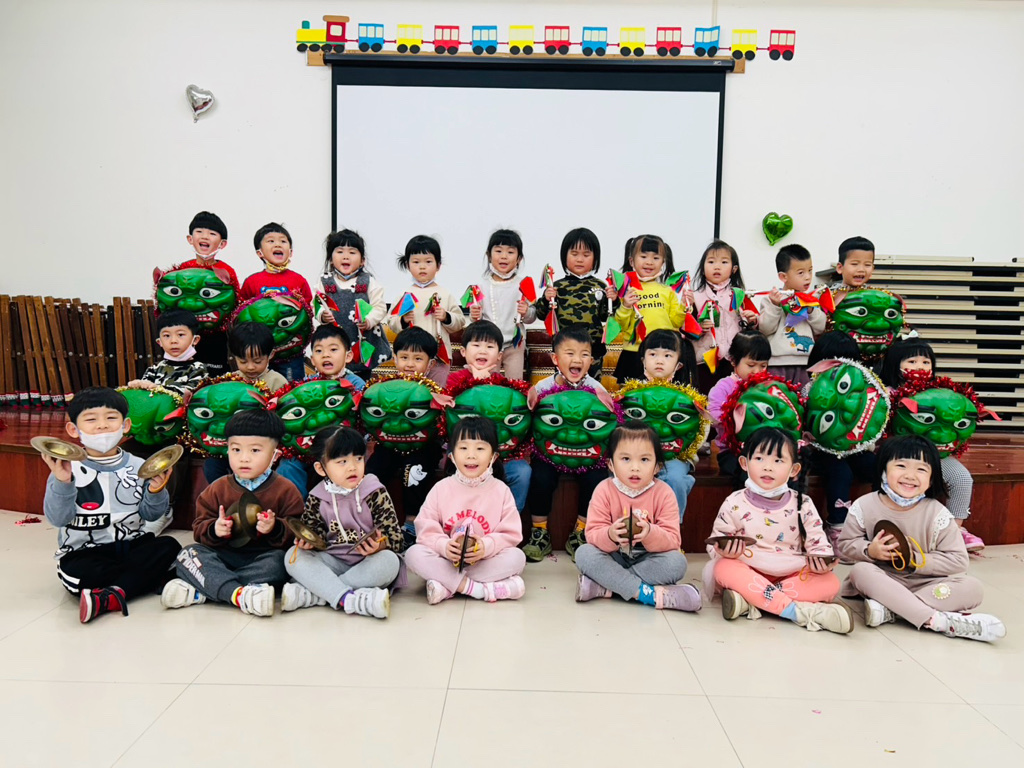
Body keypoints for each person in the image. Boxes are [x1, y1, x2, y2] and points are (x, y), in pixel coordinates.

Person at [837, 435, 1005, 642]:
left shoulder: (937, 513)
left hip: (928, 584)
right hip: (883, 579)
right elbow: (845, 544)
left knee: (973, 588)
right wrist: (869, 550)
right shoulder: (864, 505)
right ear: (883, 470)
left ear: (932, 479)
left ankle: (892, 610)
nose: (910, 476)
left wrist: (916, 559)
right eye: (901, 466)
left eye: (921, 469)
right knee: (860, 571)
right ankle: (937, 621)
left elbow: (958, 561)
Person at [41, 387, 179, 623]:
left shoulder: (140, 466)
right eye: (91, 419)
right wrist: (63, 482)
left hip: (130, 546)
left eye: (111, 418)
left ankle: (111, 595)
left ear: (125, 425)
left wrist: (156, 491)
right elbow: (58, 519)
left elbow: (151, 514)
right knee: (83, 573)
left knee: (169, 547)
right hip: (85, 552)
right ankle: (138, 582)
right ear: (73, 429)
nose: (102, 426)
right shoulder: (66, 468)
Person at [704, 427, 853, 634]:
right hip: (749, 569)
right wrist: (724, 551)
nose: (768, 467)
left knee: (830, 583)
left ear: (794, 470)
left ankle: (752, 602)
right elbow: (716, 543)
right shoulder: (734, 502)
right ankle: (799, 612)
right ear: (744, 463)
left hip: (790, 573)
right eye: (759, 459)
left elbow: (818, 543)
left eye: (778, 460)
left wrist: (821, 562)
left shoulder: (803, 503)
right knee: (723, 567)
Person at [161, 410, 303, 616]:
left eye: (255, 450)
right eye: (236, 449)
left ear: (275, 455)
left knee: (283, 562)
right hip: (223, 555)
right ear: (227, 450)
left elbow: (297, 528)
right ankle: (241, 593)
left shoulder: (286, 489)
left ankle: (208, 590)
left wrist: (275, 528)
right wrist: (215, 529)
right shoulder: (217, 488)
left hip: (262, 557)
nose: (244, 458)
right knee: (188, 553)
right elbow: (199, 527)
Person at [574, 421, 701, 611]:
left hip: (649, 560)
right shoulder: (604, 490)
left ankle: (607, 586)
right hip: (614, 557)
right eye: (626, 459)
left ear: (657, 466)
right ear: (611, 464)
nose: (635, 467)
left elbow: (673, 540)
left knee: (677, 563)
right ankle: (647, 595)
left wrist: (650, 532)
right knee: (584, 553)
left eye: (644, 460)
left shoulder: (664, 493)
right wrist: (610, 534)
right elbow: (592, 535)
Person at [281, 426, 403, 618]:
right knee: (293, 556)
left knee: (390, 562)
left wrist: (380, 546)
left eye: (358, 459)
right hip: (332, 561)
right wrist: (307, 542)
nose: (352, 467)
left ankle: (319, 594)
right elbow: (314, 535)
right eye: (342, 462)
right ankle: (350, 598)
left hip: (367, 563)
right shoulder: (317, 497)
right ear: (321, 468)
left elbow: (396, 539)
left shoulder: (374, 491)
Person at [405, 416, 526, 604]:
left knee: (517, 557)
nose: (471, 455)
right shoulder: (441, 488)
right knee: (413, 554)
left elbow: (511, 535)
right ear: (452, 456)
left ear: (493, 457)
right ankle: (477, 589)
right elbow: (425, 528)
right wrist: (444, 546)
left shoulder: (501, 490)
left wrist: (486, 546)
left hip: (483, 561)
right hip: (448, 560)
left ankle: (446, 586)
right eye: (463, 448)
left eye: (480, 448)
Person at [881, 338, 984, 552]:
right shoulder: (885, 393)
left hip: (935, 454)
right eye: (912, 361)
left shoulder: (942, 392)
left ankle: (954, 532)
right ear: (895, 364)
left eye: (926, 362)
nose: (920, 367)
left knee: (962, 478)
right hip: (899, 455)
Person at [524, 326, 613, 562]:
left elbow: (609, 422)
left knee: (597, 479)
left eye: (584, 354)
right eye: (570, 353)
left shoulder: (597, 390)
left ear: (591, 360)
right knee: (540, 477)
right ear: (555, 359)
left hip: (587, 455)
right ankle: (539, 532)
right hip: (551, 454)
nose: (577, 360)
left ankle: (581, 532)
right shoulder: (542, 388)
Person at [366, 326, 445, 547]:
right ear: (395, 357)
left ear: (430, 364)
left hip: (423, 447)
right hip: (389, 446)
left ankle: (411, 524)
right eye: (404, 357)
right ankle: (371, 522)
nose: (410, 364)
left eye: (418, 359)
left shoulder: (433, 391)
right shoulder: (384, 388)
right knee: (371, 473)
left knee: (413, 474)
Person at [445, 320, 532, 518]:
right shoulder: (454, 380)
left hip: (501, 453)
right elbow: (447, 412)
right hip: (466, 452)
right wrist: (475, 382)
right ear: (463, 351)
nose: (483, 351)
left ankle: (509, 520)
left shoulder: (505, 385)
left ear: (499, 355)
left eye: (490, 346)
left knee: (522, 472)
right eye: (476, 345)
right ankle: (462, 518)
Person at [805, 332, 876, 549]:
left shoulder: (863, 390)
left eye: (846, 362)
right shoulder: (809, 389)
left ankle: (878, 521)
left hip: (854, 448)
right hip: (821, 451)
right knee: (841, 472)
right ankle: (837, 526)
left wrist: (866, 440)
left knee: (877, 466)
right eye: (831, 362)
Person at [533, 227, 616, 379]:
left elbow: (606, 316)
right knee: (563, 388)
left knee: (592, 388)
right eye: (574, 254)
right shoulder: (556, 287)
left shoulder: (601, 286)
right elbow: (541, 314)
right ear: (564, 256)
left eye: (586, 255)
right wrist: (545, 299)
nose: (580, 259)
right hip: (564, 352)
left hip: (592, 352)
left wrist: (613, 300)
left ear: (595, 258)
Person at [387, 235, 466, 387]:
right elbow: (391, 322)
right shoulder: (405, 294)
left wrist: (446, 317)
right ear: (407, 265)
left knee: (437, 390)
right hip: (413, 356)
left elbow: (460, 321)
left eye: (428, 262)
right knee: (412, 390)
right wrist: (403, 320)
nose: (422, 267)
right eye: (416, 262)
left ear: (438, 266)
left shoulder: (444, 294)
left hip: (439, 355)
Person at [314, 228, 392, 381]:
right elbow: (316, 304)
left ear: (362, 260)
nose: (346, 256)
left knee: (362, 381)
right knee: (333, 379)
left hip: (363, 341)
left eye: (352, 252)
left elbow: (380, 307)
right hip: (334, 342)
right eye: (340, 251)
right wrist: (322, 315)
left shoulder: (368, 281)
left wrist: (369, 320)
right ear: (331, 259)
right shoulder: (324, 282)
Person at [240, 223, 314, 382]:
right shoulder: (252, 282)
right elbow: (242, 315)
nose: (278, 244)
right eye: (271, 241)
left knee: (291, 388)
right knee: (261, 388)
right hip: (260, 354)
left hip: (291, 353)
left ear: (291, 251)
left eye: (283, 241)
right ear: (259, 252)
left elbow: (307, 314)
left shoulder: (299, 280)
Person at [637, 329, 698, 521]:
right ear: (643, 360)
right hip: (638, 454)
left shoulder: (689, 398)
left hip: (676, 456)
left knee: (675, 479)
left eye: (667, 355)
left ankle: (671, 527)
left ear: (678, 364)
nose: (659, 361)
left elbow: (699, 430)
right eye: (653, 354)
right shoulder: (631, 395)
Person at [612, 234, 688, 383]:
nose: (649, 262)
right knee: (630, 395)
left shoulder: (668, 291)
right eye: (643, 256)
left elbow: (676, 323)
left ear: (663, 262)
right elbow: (621, 325)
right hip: (633, 352)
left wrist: (683, 305)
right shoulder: (626, 290)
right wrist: (626, 306)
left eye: (656, 258)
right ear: (632, 261)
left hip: (661, 354)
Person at [466, 229, 536, 380]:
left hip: (515, 344)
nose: (504, 256)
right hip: (488, 345)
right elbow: (475, 318)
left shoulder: (524, 284)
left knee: (515, 382)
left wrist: (526, 312)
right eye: (498, 251)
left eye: (510, 252)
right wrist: (474, 315)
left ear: (519, 258)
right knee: (488, 380)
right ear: (489, 256)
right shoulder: (480, 286)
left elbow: (531, 317)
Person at [692, 239, 758, 392]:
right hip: (704, 362)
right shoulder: (694, 297)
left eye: (724, 262)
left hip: (734, 361)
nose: (717, 267)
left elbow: (756, 324)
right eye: (711, 262)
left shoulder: (740, 296)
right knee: (705, 400)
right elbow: (685, 330)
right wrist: (699, 328)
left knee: (733, 398)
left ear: (734, 269)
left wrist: (753, 320)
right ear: (703, 268)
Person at [177, 211, 237, 376]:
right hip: (187, 333)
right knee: (187, 372)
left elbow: (233, 303)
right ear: (190, 239)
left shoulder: (226, 271)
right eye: (199, 232)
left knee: (214, 372)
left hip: (216, 334)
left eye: (212, 233)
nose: (205, 236)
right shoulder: (182, 270)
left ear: (222, 243)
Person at [758, 244, 827, 386]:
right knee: (779, 395)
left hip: (806, 363)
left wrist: (811, 309)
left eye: (810, 271)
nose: (808, 277)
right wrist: (775, 306)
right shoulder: (771, 299)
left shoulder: (811, 300)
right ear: (783, 276)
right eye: (801, 273)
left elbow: (820, 328)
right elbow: (765, 329)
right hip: (777, 364)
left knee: (805, 396)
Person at [707, 331, 771, 481]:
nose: (757, 371)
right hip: (731, 452)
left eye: (763, 366)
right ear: (733, 361)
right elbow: (713, 416)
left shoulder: (768, 387)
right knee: (747, 472)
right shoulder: (724, 387)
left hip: (765, 450)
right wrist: (737, 416)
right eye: (751, 365)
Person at [124, 309, 208, 396]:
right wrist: (138, 385)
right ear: (159, 342)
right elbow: (144, 396)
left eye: (180, 335)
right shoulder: (155, 369)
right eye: (167, 336)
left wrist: (157, 389)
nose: (173, 341)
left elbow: (189, 394)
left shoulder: (198, 369)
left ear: (195, 340)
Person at [227, 321, 287, 393]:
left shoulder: (277, 382)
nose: (250, 367)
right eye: (243, 362)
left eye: (257, 361)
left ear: (270, 355)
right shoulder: (231, 380)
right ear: (235, 357)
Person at [308, 324, 366, 391]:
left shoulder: (356, 384)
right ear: (313, 360)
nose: (325, 355)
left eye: (333, 349)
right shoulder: (308, 384)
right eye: (319, 351)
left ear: (348, 356)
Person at [827, 236, 875, 306]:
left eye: (867, 265)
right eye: (854, 264)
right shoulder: (828, 296)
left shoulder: (875, 297)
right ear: (840, 268)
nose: (861, 269)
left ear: (872, 269)